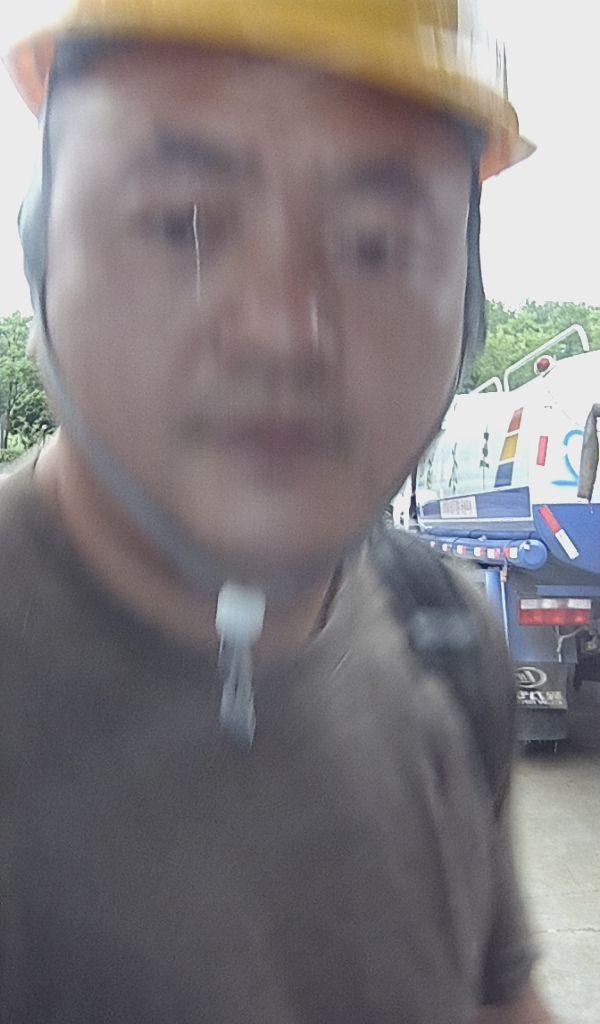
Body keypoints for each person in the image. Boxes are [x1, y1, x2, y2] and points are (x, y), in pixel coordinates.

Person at [1, 3, 553, 1021]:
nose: (283, 330)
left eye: (379, 244)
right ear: (43, 250)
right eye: (182, 223)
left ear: (467, 300)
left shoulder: (445, 640)